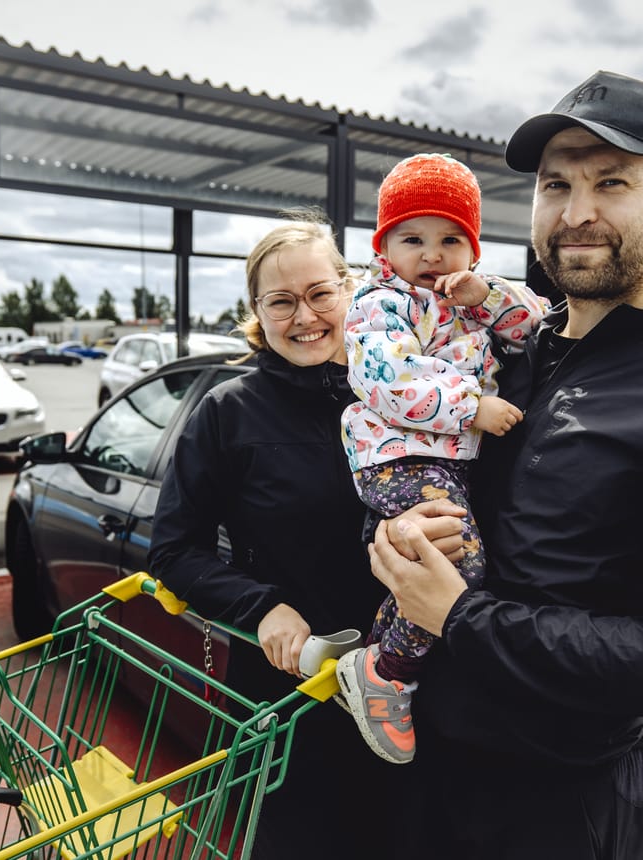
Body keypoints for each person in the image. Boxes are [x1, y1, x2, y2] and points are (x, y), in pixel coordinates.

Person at [367, 70, 643, 858]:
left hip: (559, 804)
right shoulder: (504, 353)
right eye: (555, 184)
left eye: (612, 183)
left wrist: (458, 615)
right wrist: (400, 537)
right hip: (422, 765)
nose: (576, 212)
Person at [146, 213, 465, 859]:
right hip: (294, 695)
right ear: (258, 313)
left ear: (350, 290)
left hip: (416, 688)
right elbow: (175, 551)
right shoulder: (228, 413)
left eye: (320, 293)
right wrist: (261, 606)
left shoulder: (405, 394)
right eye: (281, 302)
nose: (305, 317)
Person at [336, 153, 548, 765]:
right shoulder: (380, 303)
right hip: (397, 457)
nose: (432, 254)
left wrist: (487, 297)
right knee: (461, 566)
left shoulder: (469, 299)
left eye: (451, 239)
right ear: (385, 249)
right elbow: (388, 377)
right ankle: (387, 670)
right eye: (413, 238)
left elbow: (534, 328)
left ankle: (381, 659)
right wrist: (472, 404)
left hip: (443, 461)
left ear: (474, 250)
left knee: (451, 559)